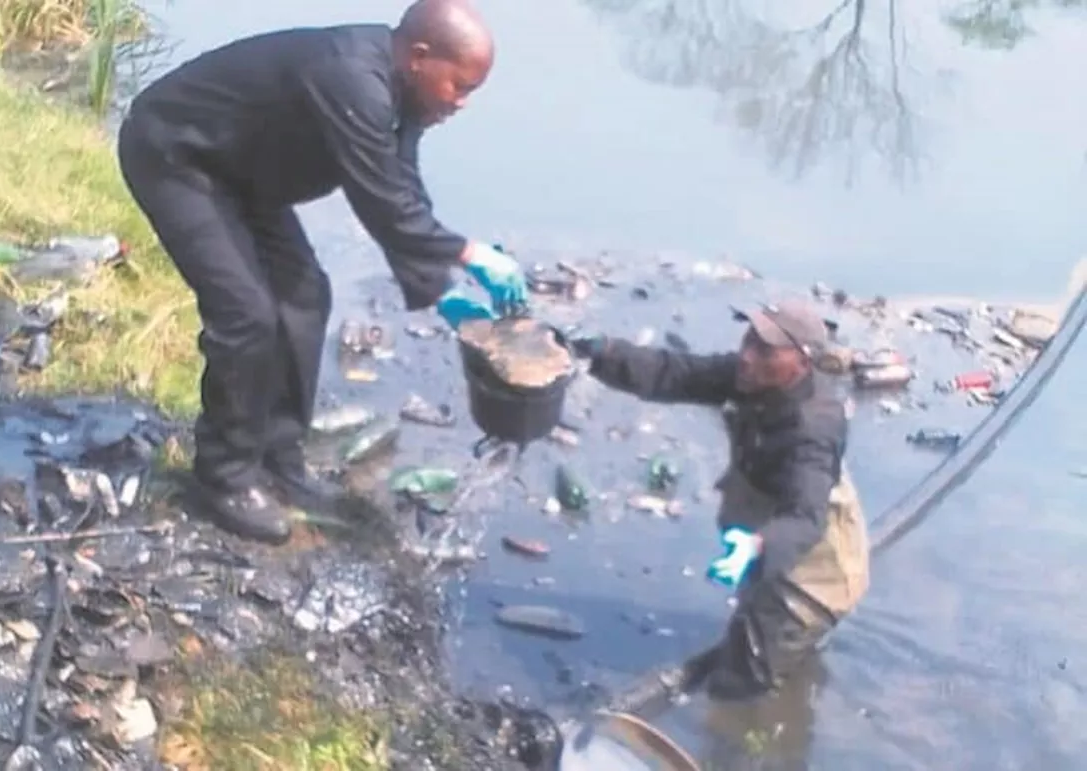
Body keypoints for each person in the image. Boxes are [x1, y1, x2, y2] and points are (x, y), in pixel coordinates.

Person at [116, 0, 527, 546]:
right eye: (460, 86)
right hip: (177, 156)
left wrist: (441, 291)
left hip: (244, 174)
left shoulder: (404, 95)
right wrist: (473, 254)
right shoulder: (352, 78)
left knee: (306, 297)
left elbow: (400, 186)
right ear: (420, 57)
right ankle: (223, 478)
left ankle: (277, 456)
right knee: (246, 316)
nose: (463, 102)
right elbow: (382, 201)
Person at [563, 299, 870, 700]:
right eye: (748, 340)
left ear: (802, 360)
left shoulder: (812, 426)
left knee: (737, 688)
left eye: (765, 350)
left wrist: (757, 546)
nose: (746, 356)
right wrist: (601, 352)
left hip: (809, 579)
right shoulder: (753, 378)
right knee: (762, 635)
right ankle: (794, 663)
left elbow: (806, 519)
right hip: (768, 541)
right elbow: (674, 372)